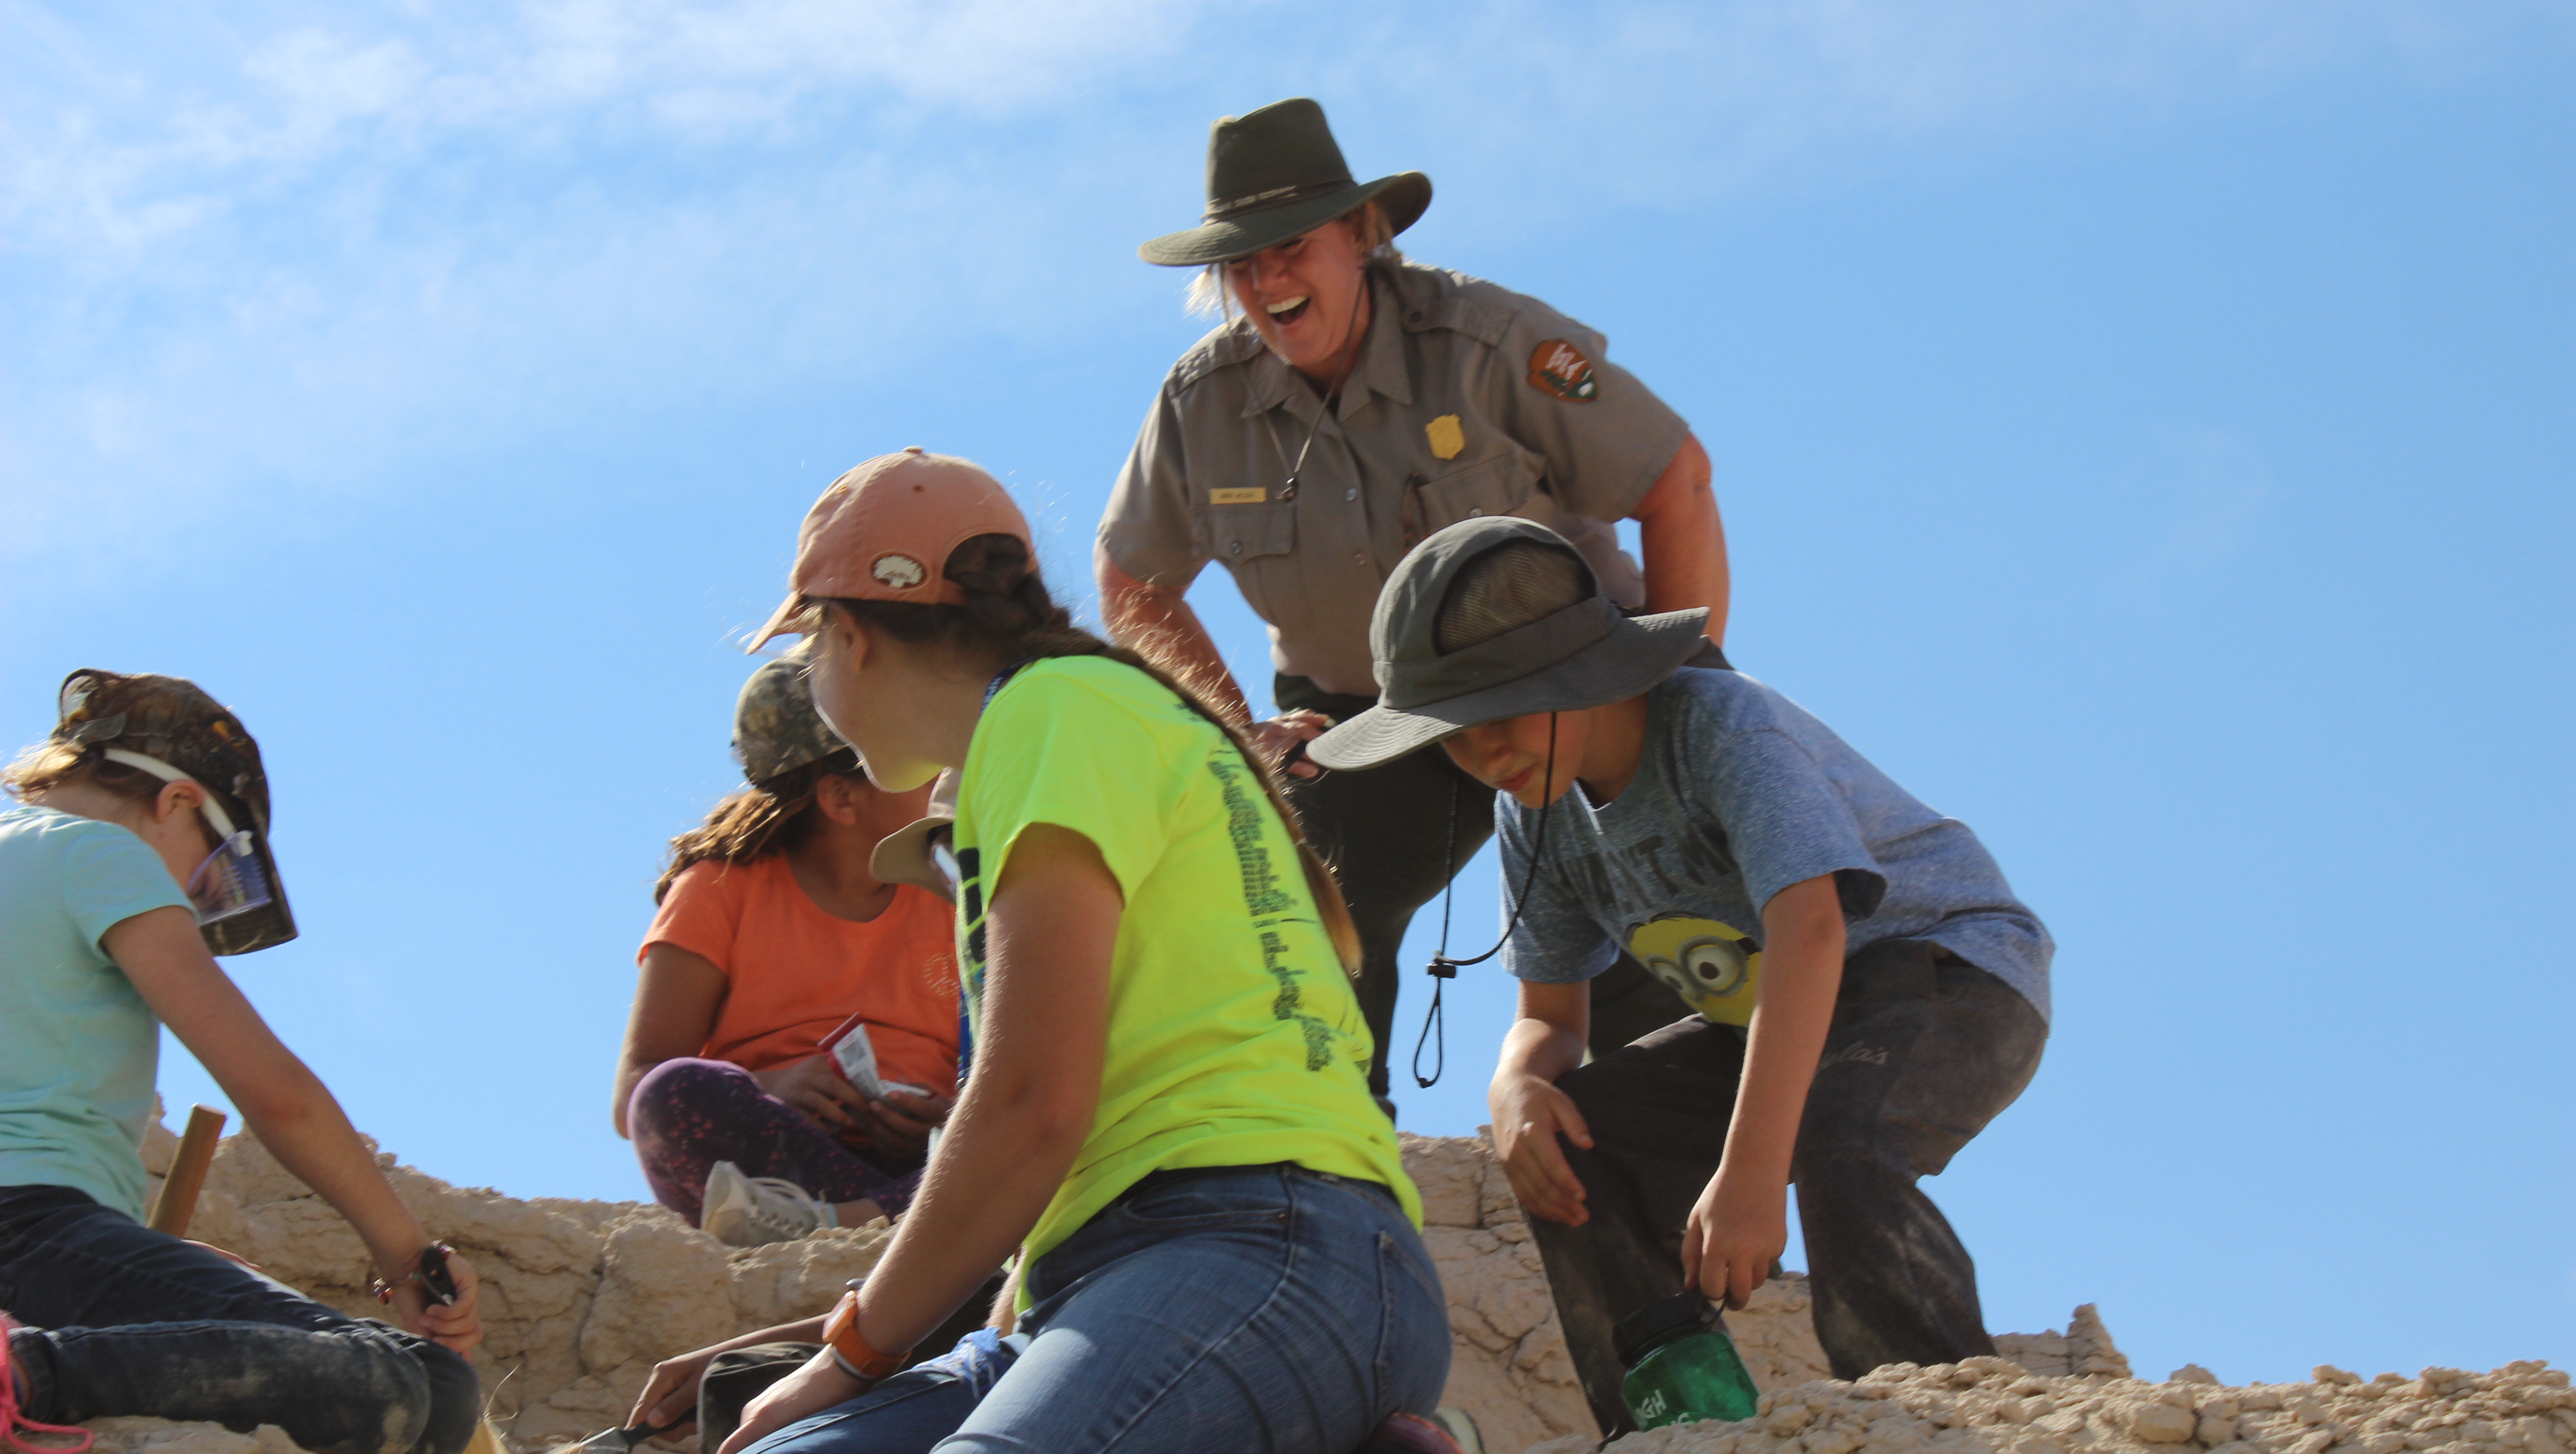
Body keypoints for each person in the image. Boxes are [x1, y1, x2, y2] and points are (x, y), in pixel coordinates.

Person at [630, 447, 1449, 1454]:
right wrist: (819, 1349)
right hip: (1101, 1282)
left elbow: (1031, 1107)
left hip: (1264, 1247)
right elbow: (1040, 1169)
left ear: (848, 633)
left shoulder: (1047, 710)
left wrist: (844, 1358)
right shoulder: (1067, 721)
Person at [1308, 518, 2055, 1439]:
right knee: (1575, 1143)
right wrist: (1515, 1084)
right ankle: (1679, 1423)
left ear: (1576, 673)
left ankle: (1931, 1415)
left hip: (1949, 968)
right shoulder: (1531, 817)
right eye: (1452, 738)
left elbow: (1811, 929)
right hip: (1777, 1013)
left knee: (1834, 1136)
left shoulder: (1717, 723)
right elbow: (1549, 1014)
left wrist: (1747, 1175)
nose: (1484, 754)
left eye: (1499, 714)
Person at [1099, 95, 1731, 1109]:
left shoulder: (1486, 343)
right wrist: (1236, 738)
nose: (1267, 281)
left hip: (1564, 682)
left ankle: (1683, 1187)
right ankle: (1331, 1160)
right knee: (1285, 885)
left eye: (1292, 245)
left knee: (1645, 933)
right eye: (1241, 262)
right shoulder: (1200, 404)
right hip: (1368, 720)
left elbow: (1677, 479)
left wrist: (1684, 695)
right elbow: (1133, 579)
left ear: (1363, 233)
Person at [0, 670, 485, 1454]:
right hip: (25, 1227)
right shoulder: (102, 852)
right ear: (178, 802)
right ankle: (27, 1374)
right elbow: (275, 1093)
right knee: (408, 1381)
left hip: (35, 1239)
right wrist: (407, 1257)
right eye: (213, 875)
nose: (194, 901)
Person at [615, 648, 959, 1249]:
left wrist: (937, 1120)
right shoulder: (719, 890)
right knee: (671, 1096)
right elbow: (636, 1090)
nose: (946, 775)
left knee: (1041, 1130)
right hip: (775, 1179)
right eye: (917, 761)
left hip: (919, 1174)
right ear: (841, 799)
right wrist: (773, 1088)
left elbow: (1005, 1083)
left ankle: (851, 1228)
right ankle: (866, 1232)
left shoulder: (952, 903)